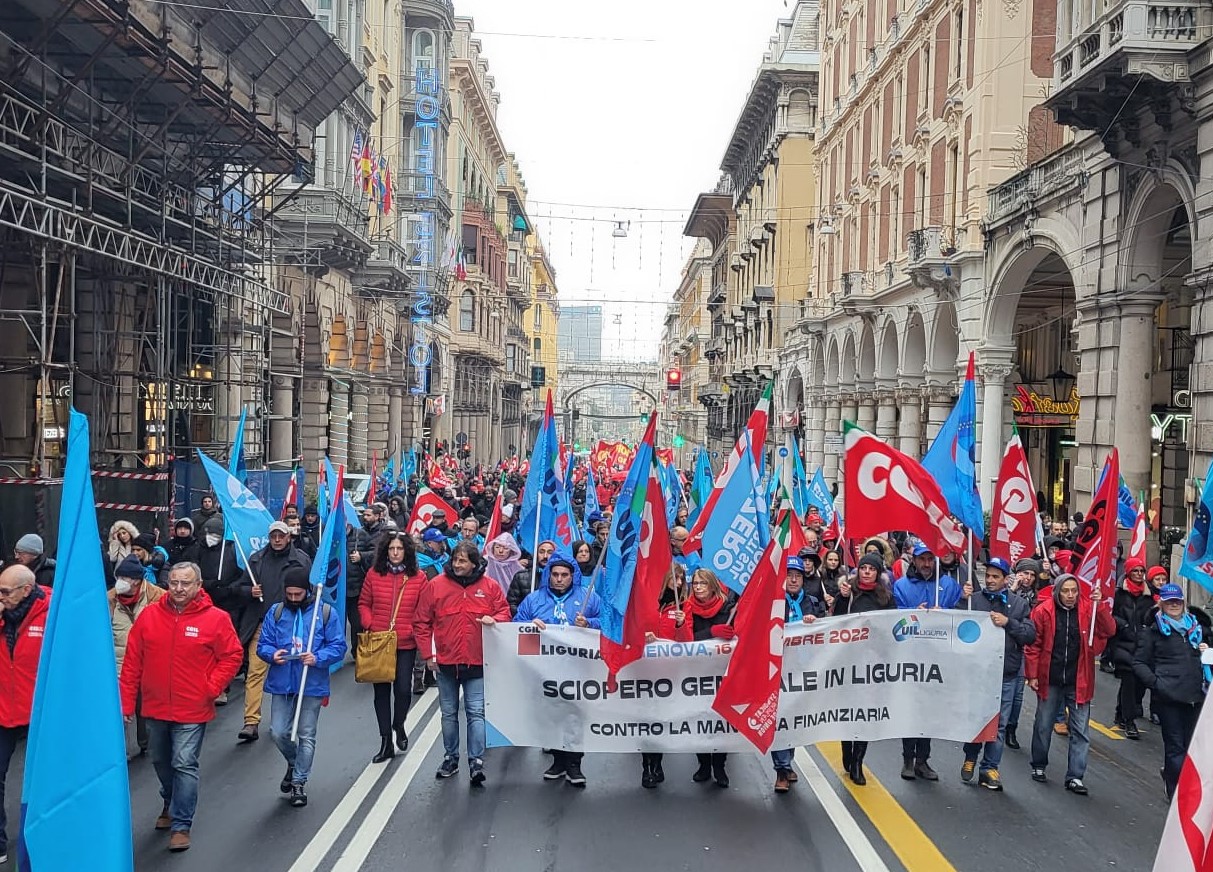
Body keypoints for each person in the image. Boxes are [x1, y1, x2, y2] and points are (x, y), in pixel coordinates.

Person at [120, 562, 243, 852]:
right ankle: (170, 799)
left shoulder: (216, 619)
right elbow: (132, 664)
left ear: (198, 585)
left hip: (193, 709)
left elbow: (232, 656)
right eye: (174, 582)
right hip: (155, 706)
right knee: (161, 761)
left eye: (185, 583)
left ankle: (181, 824)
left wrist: (211, 688)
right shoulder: (149, 617)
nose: (178, 588)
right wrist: (126, 705)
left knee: (184, 762)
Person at [414, 540, 511, 786]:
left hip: (478, 662)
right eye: (455, 559)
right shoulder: (435, 586)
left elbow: (505, 612)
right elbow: (422, 622)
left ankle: (476, 761)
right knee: (448, 714)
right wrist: (428, 655)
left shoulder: (490, 587)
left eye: (463, 561)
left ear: (474, 563)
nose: (457, 564)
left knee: (476, 712)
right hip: (445, 662)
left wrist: (494, 618)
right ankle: (451, 757)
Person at [256, 565, 347, 807]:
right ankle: (295, 761)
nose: (294, 599)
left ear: (307, 591)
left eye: (298, 594)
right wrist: (272, 654)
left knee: (307, 734)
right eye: (290, 594)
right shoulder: (275, 612)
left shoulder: (325, 612)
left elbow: (338, 646)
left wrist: (318, 657)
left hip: (312, 682)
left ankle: (299, 781)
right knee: (277, 732)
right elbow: (263, 644)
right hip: (282, 682)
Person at [515, 552, 602, 787]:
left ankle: (574, 763)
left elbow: (607, 623)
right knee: (551, 716)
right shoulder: (534, 600)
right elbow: (515, 625)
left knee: (574, 717)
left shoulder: (588, 598)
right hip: (545, 671)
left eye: (564, 575)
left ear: (573, 576)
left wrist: (590, 624)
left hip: (578, 669)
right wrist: (527, 626)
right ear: (548, 575)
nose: (560, 579)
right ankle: (557, 760)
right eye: (555, 575)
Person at [1024, 573, 1115, 795]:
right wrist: (1033, 674)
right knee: (1044, 724)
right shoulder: (1043, 611)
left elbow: (1109, 630)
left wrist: (1099, 605)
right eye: (1066, 591)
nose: (1070, 595)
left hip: (1079, 680)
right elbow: (1033, 645)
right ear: (1057, 591)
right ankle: (1039, 764)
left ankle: (1075, 775)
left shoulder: (1088, 609)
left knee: (1080, 730)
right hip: (1051, 679)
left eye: (1074, 590)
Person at [958, 558, 1036, 791]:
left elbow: (1029, 635)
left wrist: (1008, 622)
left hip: (1007, 673)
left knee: (999, 723)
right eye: (988, 576)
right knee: (977, 719)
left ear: (1005, 579)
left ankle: (989, 767)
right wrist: (963, 600)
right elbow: (958, 624)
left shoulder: (1018, 604)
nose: (990, 580)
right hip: (979, 672)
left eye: (995, 577)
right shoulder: (975, 600)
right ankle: (971, 756)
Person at [234, 521, 313, 743]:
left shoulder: (300, 560)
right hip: (261, 625)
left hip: (291, 625)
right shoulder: (257, 560)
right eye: (273, 536)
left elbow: (312, 590)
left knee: (291, 672)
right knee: (255, 673)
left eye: (281, 536)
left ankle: (286, 718)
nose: (277, 540)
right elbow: (238, 588)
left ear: (289, 537)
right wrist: (249, 590)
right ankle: (251, 721)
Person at [1133, 584, 1211, 801]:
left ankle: (1177, 778)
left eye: (1177, 601)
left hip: (1196, 696)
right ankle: (1176, 792)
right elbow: (1139, 663)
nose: (1174, 605)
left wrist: (1207, 652)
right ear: (1162, 604)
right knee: (1175, 746)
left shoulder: (1198, 630)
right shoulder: (1153, 632)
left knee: (1192, 747)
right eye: (1169, 602)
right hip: (1169, 698)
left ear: (1183, 602)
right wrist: (1157, 683)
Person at [659, 568, 735, 788]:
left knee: (720, 721)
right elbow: (689, 639)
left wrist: (730, 632)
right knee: (699, 718)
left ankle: (719, 765)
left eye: (703, 583)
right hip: (696, 672)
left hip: (720, 672)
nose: (699, 587)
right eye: (696, 583)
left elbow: (737, 633)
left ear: (712, 585)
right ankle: (703, 764)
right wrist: (713, 632)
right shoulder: (688, 606)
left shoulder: (728, 607)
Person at [892, 543, 962, 781]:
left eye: (930, 559)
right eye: (922, 559)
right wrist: (915, 613)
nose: (926, 564)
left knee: (929, 711)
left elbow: (958, 615)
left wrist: (945, 612)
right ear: (914, 561)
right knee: (910, 709)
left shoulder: (949, 585)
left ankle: (923, 760)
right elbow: (895, 619)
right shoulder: (901, 585)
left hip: (937, 658)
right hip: (910, 658)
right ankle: (907, 759)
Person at [359, 532, 427, 763]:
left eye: (399, 549)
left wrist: (411, 629)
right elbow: (364, 603)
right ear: (385, 551)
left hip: (405, 642)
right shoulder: (374, 574)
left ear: (407, 551)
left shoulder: (418, 577)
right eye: (391, 549)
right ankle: (386, 740)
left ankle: (399, 724)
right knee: (381, 693)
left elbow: (423, 610)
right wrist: (369, 623)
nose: (395, 553)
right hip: (379, 641)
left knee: (403, 690)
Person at [832, 553, 895, 784]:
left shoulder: (885, 597)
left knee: (865, 715)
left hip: (871, 665)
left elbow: (891, 629)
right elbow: (835, 623)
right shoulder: (849, 594)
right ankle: (847, 751)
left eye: (871, 568)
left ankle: (858, 761)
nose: (867, 572)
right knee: (848, 713)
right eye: (863, 568)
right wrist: (842, 598)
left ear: (878, 573)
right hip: (847, 663)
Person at [0, 565, 48, 864]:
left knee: (42, 778)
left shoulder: (52, 614)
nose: (1, 597)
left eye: (5, 592)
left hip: (39, 712)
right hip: (3, 707)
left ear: (26, 590)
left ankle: (43, 837)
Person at [772, 557, 824, 793]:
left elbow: (828, 631)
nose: (793, 580)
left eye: (798, 576)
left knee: (794, 720)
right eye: (789, 575)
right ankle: (781, 769)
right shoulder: (772, 604)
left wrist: (813, 624)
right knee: (779, 719)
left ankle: (788, 760)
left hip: (803, 670)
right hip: (777, 669)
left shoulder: (812, 602)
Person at [110, 554, 166, 760]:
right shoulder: (109, 599)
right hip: (118, 665)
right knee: (119, 711)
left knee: (145, 708)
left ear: (136, 580)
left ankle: (146, 743)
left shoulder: (158, 597)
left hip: (148, 664)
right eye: (119, 577)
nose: (120, 581)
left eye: (125, 577)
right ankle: (118, 752)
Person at [641, 563, 689, 789]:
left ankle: (657, 762)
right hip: (644, 672)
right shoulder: (648, 603)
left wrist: (681, 624)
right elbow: (633, 629)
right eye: (675, 578)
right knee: (645, 720)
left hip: (669, 674)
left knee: (660, 720)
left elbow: (688, 643)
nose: (678, 583)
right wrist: (644, 636)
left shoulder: (683, 607)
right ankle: (646, 766)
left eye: (681, 579)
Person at [1110, 558, 1154, 738]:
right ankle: (1129, 721)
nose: (1138, 574)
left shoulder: (1149, 595)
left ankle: (1121, 713)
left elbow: (1152, 616)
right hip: (1123, 643)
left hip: (1142, 645)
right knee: (1129, 681)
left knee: (1138, 683)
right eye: (1135, 571)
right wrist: (1124, 626)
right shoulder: (1119, 594)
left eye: (1141, 571)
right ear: (1128, 572)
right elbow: (1111, 614)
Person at [347, 503, 387, 644]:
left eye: (368, 515)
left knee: (358, 622)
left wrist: (361, 556)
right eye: (364, 515)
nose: (365, 517)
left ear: (377, 516)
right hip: (343, 586)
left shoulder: (381, 532)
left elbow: (378, 553)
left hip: (360, 583)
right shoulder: (361, 531)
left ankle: (358, 650)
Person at [508, 539, 554, 615]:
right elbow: (512, 604)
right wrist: (525, 617)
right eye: (541, 552)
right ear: (536, 554)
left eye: (550, 553)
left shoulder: (560, 577)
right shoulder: (521, 576)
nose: (545, 556)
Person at [483, 533, 525, 597]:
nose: (500, 551)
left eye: (505, 548)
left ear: (512, 550)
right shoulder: (484, 562)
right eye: (497, 547)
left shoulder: (517, 567)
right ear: (492, 547)